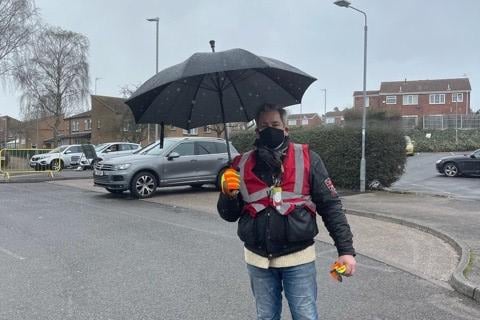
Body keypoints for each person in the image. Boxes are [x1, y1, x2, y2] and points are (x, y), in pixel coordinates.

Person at [217, 104, 356, 320]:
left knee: (305, 316)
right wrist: (228, 195)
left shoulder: (308, 158)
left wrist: (345, 250)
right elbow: (229, 215)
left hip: (298, 260)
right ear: (256, 131)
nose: (270, 129)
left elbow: (330, 206)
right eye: (264, 125)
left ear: (286, 128)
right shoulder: (239, 165)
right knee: (266, 317)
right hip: (258, 260)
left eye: (275, 124)